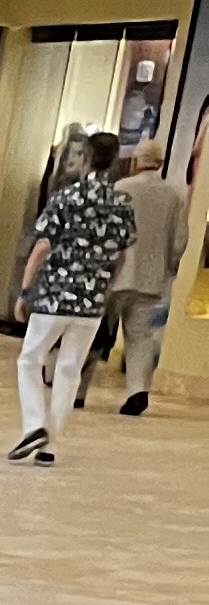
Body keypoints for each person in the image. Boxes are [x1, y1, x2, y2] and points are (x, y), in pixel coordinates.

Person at [12, 128, 137, 462]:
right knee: (70, 369)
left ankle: (34, 425)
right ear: (114, 161)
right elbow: (121, 255)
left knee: (30, 359)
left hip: (55, 295)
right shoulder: (122, 203)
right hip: (92, 301)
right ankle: (50, 445)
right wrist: (105, 284)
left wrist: (25, 291)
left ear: (85, 158)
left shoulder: (67, 197)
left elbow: (42, 247)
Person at [103, 140, 188, 416]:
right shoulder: (173, 196)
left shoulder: (121, 188)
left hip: (115, 275)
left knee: (99, 331)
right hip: (151, 278)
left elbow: (106, 232)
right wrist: (168, 268)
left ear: (136, 161)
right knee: (140, 337)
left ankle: (77, 391)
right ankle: (137, 391)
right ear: (160, 163)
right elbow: (180, 240)